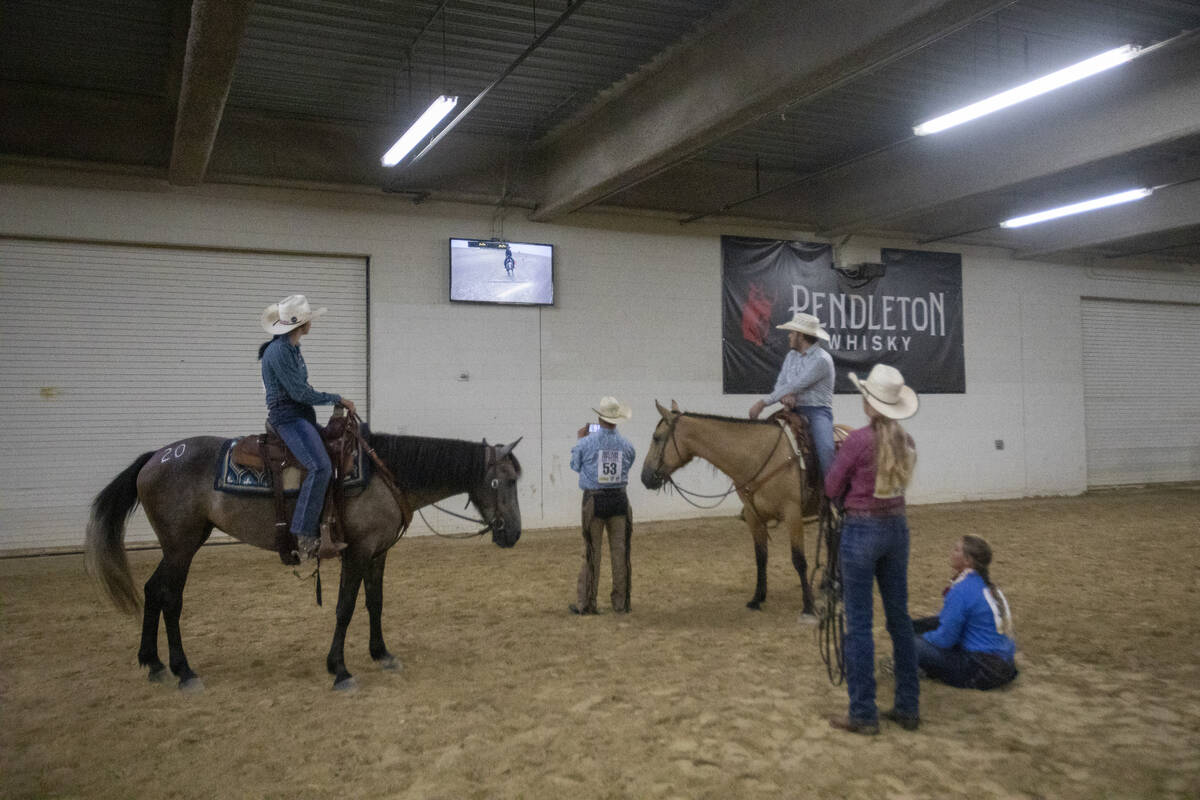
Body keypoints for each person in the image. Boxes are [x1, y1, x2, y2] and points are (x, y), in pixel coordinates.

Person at [824, 363, 920, 735]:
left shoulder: (858, 441)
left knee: (859, 624)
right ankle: (908, 707)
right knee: (900, 621)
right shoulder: (906, 442)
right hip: (897, 529)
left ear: (870, 403)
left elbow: (832, 488)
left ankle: (863, 712)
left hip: (861, 531)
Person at [258, 294, 356, 560]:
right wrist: (336, 398)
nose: (311, 323)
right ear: (299, 324)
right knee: (320, 466)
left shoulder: (292, 348)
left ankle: (329, 525)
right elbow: (300, 392)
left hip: (300, 415)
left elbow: (302, 391)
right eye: (308, 319)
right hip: (288, 416)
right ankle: (303, 535)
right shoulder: (279, 352)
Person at [913, 535, 1018, 690]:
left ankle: (915, 666)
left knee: (910, 643)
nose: (952, 552)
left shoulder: (962, 589)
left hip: (982, 670)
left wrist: (920, 638)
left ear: (968, 561)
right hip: (1004, 666)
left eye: (956, 550)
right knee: (920, 627)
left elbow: (945, 639)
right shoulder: (989, 586)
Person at [569, 396, 637, 615]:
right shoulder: (627, 446)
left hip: (594, 501)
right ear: (617, 419)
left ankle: (587, 603)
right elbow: (629, 463)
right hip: (619, 500)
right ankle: (621, 603)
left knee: (591, 553)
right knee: (621, 553)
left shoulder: (586, 442)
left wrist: (579, 439)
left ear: (599, 416)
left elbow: (574, 465)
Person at [748, 311, 835, 479]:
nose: (789, 336)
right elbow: (782, 383)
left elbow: (796, 384)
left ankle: (834, 496)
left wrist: (763, 403)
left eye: (792, 332)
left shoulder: (821, 359)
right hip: (791, 409)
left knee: (826, 451)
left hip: (817, 411)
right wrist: (784, 396)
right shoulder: (791, 356)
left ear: (801, 336)